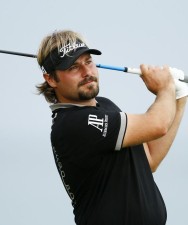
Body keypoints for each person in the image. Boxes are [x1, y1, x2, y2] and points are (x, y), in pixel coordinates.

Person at [36, 30, 187, 225]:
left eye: (88, 61)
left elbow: (149, 159)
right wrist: (165, 87)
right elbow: (158, 124)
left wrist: (179, 96)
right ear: (51, 79)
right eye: (73, 67)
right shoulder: (73, 124)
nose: (87, 72)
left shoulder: (105, 106)